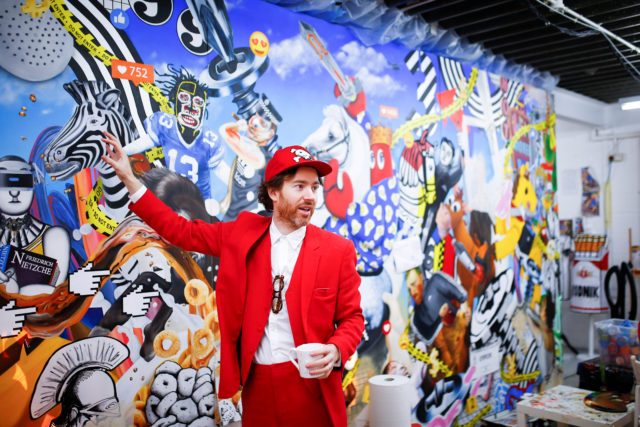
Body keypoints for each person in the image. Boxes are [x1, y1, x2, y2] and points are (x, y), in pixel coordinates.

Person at [100, 131, 364, 427]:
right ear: (274, 192)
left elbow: (352, 318)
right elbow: (180, 231)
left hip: (313, 389)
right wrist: (129, 178)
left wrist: (337, 349)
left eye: (314, 187)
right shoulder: (241, 234)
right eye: (299, 186)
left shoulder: (337, 250)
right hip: (258, 388)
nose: (310, 196)